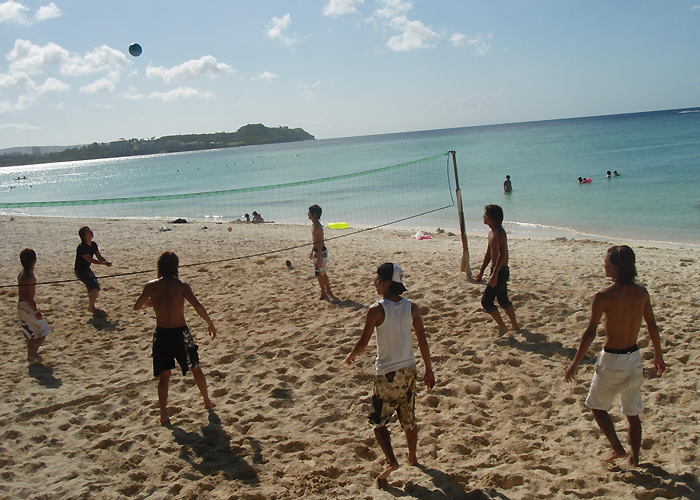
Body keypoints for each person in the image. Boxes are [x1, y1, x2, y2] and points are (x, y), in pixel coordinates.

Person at [565, 245, 666, 466]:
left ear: (614, 268)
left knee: (596, 406)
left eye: (605, 262)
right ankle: (635, 458)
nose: (603, 265)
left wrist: (575, 362)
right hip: (634, 358)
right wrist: (658, 355)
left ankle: (617, 448)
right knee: (633, 414)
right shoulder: (642, 293)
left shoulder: (603, 296)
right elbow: (652, 325)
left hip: (611, 359)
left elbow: (590, 333)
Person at [346, 263, 435, 488]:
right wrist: (429, 369)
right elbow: (423, 341)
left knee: (378, 421)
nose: (374, 283)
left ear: (387, 283)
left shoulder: (376, 309)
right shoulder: (412, 307)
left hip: (387, 372)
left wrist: (352, 355)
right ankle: (412, 456)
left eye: (377, 279)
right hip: (409, 370)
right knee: (408, 416)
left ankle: (391, 461)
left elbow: (363, 342)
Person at [134, 251, 217, 426]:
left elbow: (137, 306)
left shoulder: (150, 286)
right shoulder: (181, 286)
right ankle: (206, 400)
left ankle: (163, 414)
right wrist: (209, 322)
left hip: (161, 334)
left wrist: (148, 302)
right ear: (176, 267)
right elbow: (197, 305)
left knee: (164, 376)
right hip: (180, 333)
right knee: (195, 367)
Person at [475, 205, 519, 334]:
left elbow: (502, 254)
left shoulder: (500, 232)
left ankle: (503, 326)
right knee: (503, 299)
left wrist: (495, 274)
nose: (483, 216)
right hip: (495, 270)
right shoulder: (491, 233)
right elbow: (489, 253)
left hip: (501, 271)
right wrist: (481, 271)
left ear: (492, 218)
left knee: (486, 301)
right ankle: (515, 326)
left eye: (485, 214)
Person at [17, 249, 51, 364]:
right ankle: (33, 353)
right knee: (43, 331)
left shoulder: (22, 273)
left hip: (22, 305)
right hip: (26, 306)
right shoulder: (28, 276)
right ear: (34, 260)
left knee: (30, 333)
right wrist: (36, 311)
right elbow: (28, 297)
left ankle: (30, 355)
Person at [74, 226, 112, 318]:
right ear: (84, 236)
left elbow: (99, 256)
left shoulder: (93, 244)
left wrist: (106, 261)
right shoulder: (82, 247)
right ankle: (91, 307)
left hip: (87, 269)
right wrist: (103, 263)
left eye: (90, 230)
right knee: (94, 287)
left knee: (96, 288)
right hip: (80, 271)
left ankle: (91, 306)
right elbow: (90, 259)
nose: (91, 231)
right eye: (88, 231)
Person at [308, 204, 333, 300]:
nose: (308, 214)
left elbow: (319, 243)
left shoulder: (317, 227)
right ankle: (328, 290)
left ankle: (324, 293)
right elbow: (315, 241)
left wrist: (318, 257)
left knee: (319, 274)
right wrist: (312, 251)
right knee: (323, 273)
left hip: (320, 252)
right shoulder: (314, 225)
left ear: (314, 215)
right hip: (318, 251)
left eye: (309, 213)